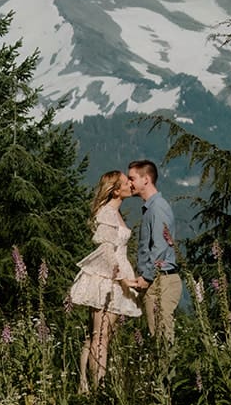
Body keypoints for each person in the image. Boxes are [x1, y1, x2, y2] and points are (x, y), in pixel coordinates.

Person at [67, 170, 141, 392]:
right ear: (116, 190)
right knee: (101, 336)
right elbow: (107, 252)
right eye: (125, 181)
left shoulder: (115, 213)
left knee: (98, 335)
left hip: (114, 277)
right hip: (107, 278)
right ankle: (97, 388)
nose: (130, 182)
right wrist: (123, 279)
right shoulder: (107, 213)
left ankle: (85, 385)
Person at [127, 159, 180, 342]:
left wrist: (147, 277)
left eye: (132, 178)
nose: (129, 183)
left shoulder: (157, 208)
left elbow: (160, 246)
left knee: (162, 338)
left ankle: (168, 371)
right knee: (157, 335)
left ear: (146, 179)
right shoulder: (152, 208)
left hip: (160, 281)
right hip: (158, 280)